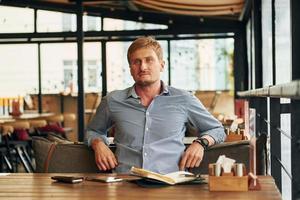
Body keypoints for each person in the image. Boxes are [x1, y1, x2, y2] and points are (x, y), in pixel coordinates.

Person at [85, 36, 225, 174]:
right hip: (125, 182)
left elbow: (217, 129)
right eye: (136, 62)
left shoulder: (184, 99)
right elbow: (93, 131)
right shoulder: (112, 100)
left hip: (170, 183)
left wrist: (200, 143)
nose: (143, 67)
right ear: (130, 69)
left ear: (162, 65)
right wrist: (98, 144)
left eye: (149, 60)